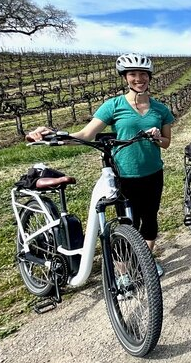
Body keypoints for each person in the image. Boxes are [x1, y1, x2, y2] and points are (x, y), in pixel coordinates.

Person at [26, 53, 174, 276]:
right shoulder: (113, 105)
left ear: (149, 77)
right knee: (127, 223)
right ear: (125, 77)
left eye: (143, 74)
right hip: (123, 174)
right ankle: (124, 272)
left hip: (153, 172)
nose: (138, 79)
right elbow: (85, 134)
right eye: (132, 74)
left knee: (150, 219)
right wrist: (52, 134)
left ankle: (145, 261)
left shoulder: (160, 110)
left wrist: (156, 137)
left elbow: (166, 143)